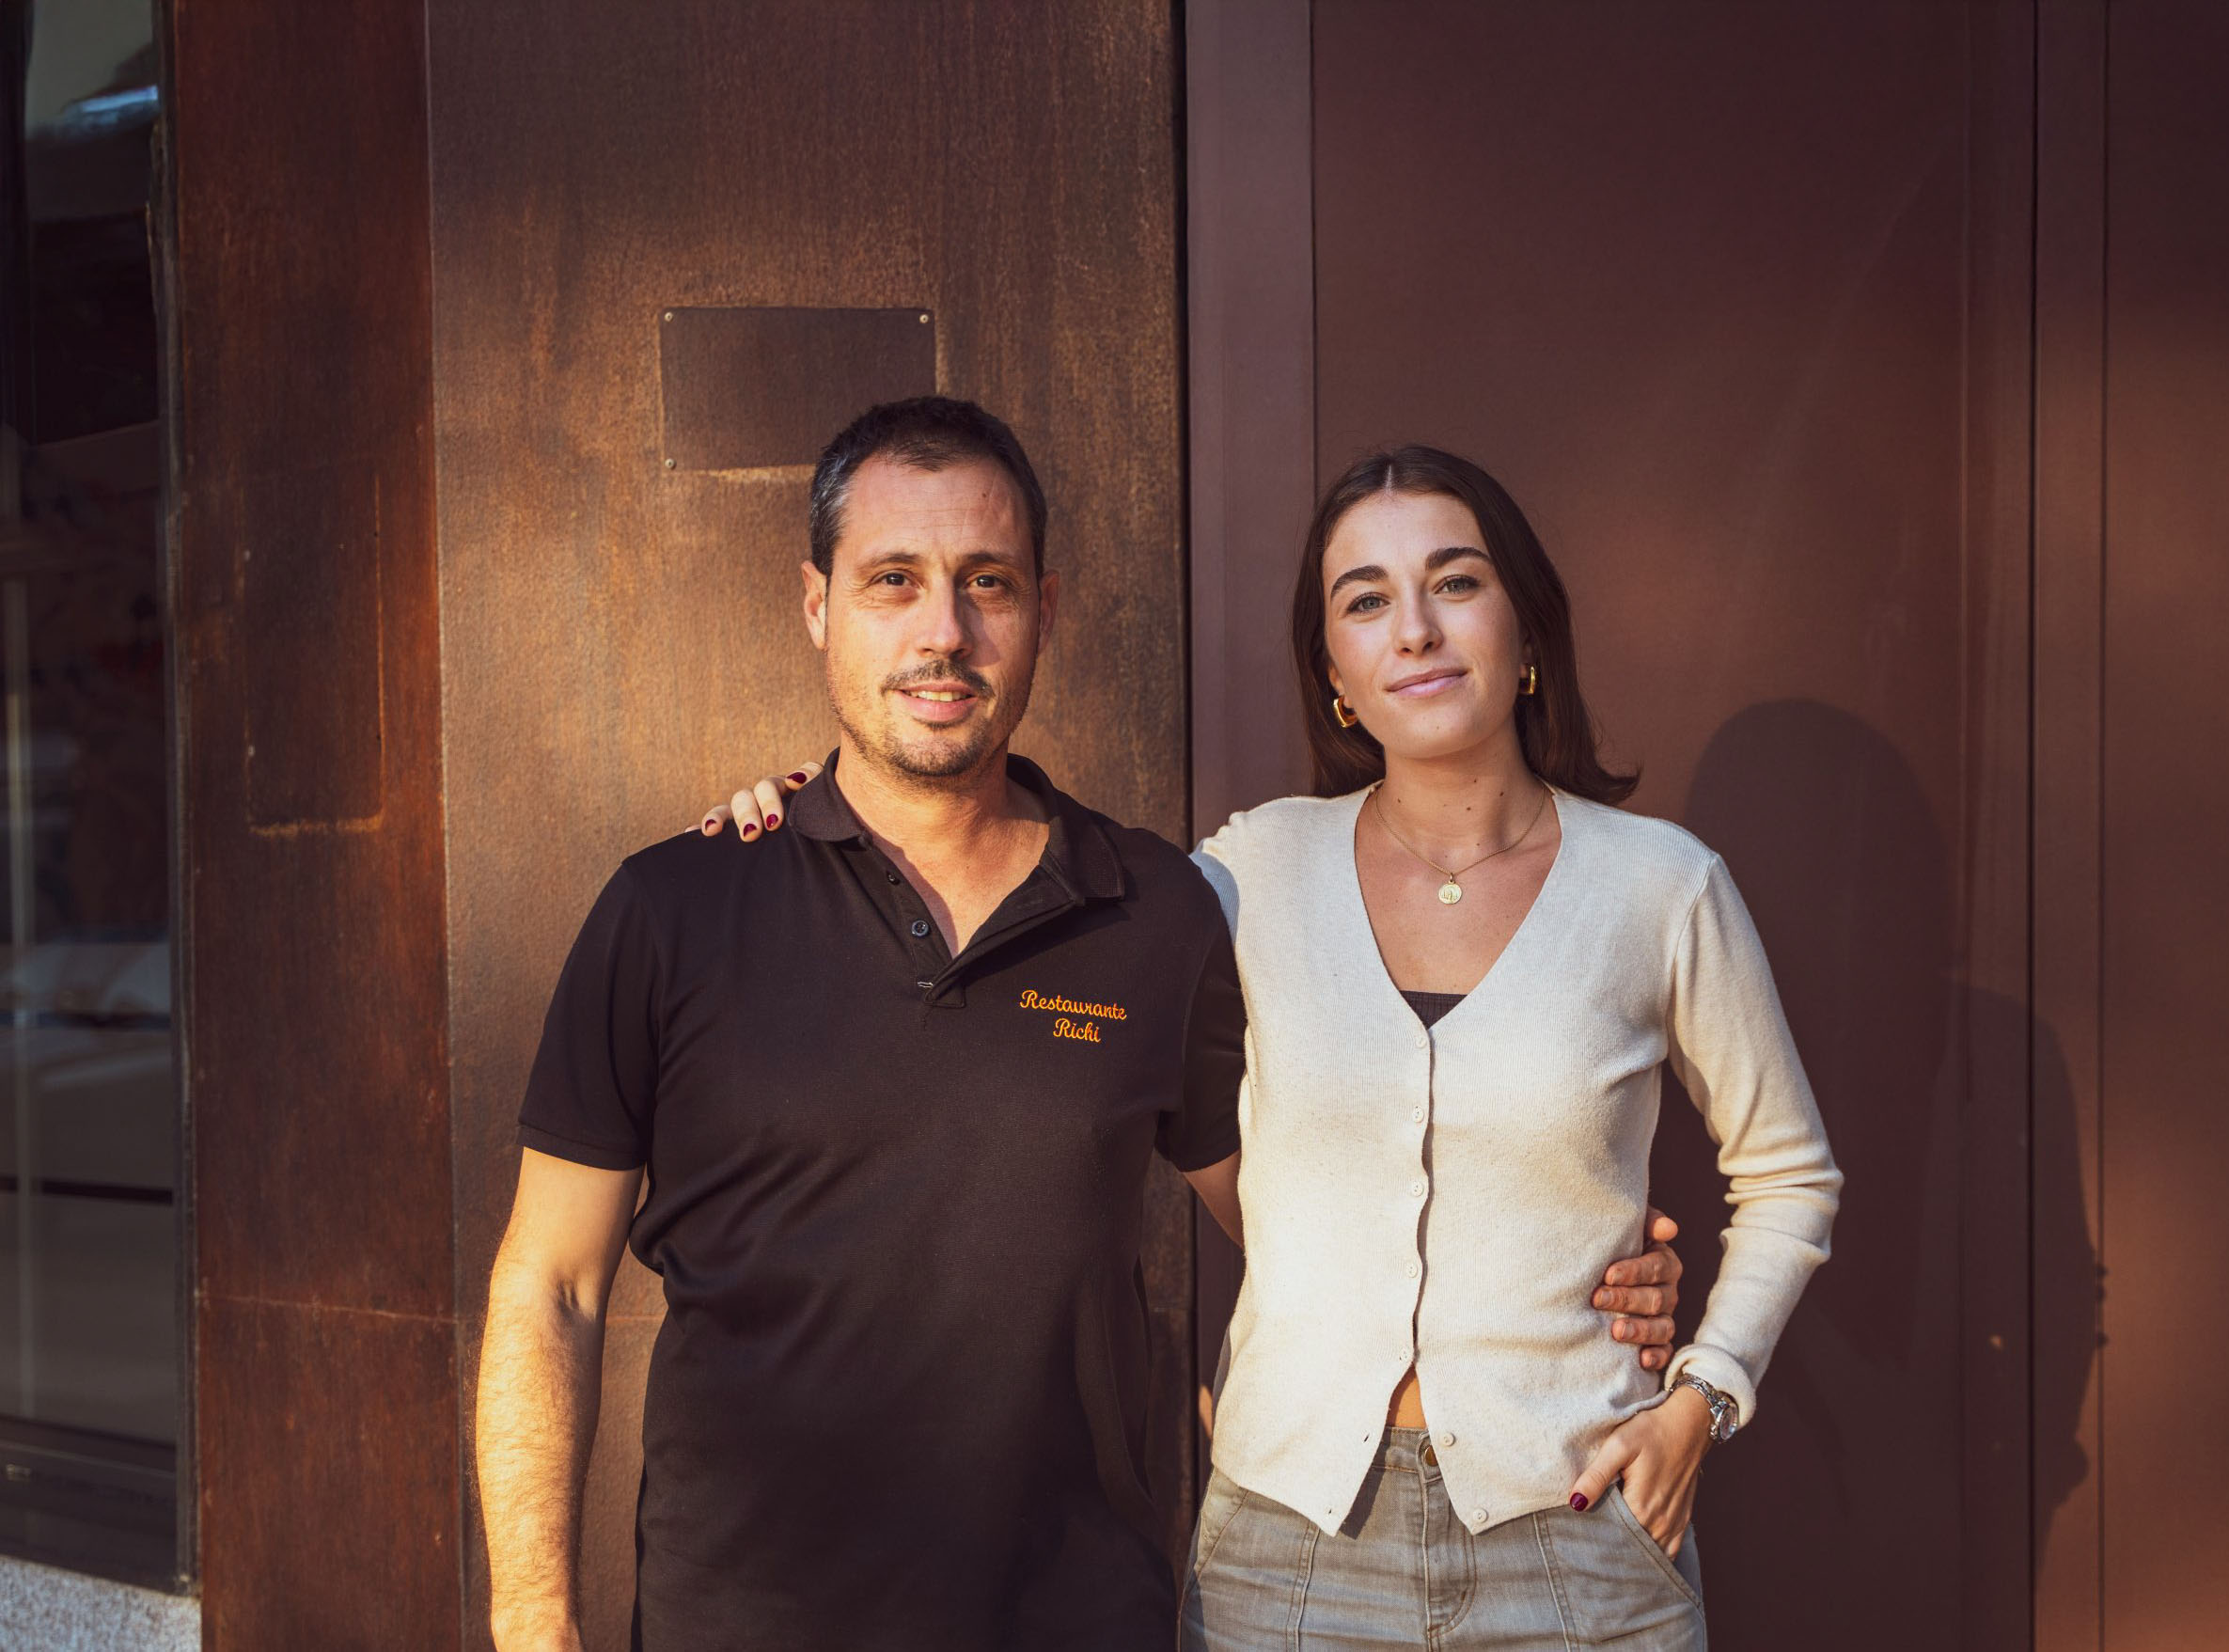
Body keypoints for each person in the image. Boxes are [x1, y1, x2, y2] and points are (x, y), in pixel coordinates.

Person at [477, 400, 1681, 1652]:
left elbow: (1316, 1224)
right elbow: (550, 1285)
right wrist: (532, 1624)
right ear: (818, 604)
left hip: (1075, 1619)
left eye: (986, 582)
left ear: (1043, 610)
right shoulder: (675, 907)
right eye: (894, 580)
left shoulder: (1156, 910)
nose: (944, 632)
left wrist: (1574, 1256)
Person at [706, 442, 1840, 1649]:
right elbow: (1006, 954)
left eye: (1455, 582)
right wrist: (817, 819)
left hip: (1579, 1528)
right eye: (1366, 600)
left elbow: (1789, 1173)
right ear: (1334, 671)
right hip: (1289, 1547)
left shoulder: (1661, 887)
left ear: (1524, 629)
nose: (1415, 629)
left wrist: (1702, 1392)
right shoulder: (1246, 875)